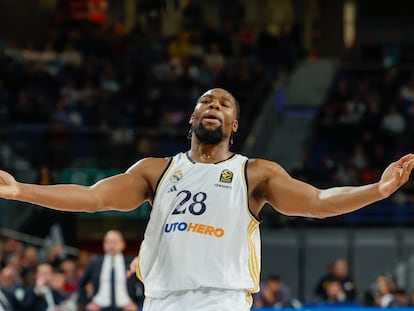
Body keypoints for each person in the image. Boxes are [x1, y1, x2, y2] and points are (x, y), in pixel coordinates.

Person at [0, 88, 413, 311]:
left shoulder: (255, 173)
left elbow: (320, 200)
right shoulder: (155, 169)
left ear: (234, 124)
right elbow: (91, 197)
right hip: (160, 301)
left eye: (224, 103)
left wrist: (376, 190)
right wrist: (20, 190)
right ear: (194, 118)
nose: (214, 105)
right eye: (206, 101)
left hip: (221, 301)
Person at [77, 230, 143, 311]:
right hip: (100, 307)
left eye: (115, 242)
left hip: (126, 307)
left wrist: (138, 303)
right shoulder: (95, 263)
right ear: (103, 244)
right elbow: (81, 284)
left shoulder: (131, 263)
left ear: (123, 244)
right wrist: (87, 303)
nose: (111, 245)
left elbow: (142, 283)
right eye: (108, 242)